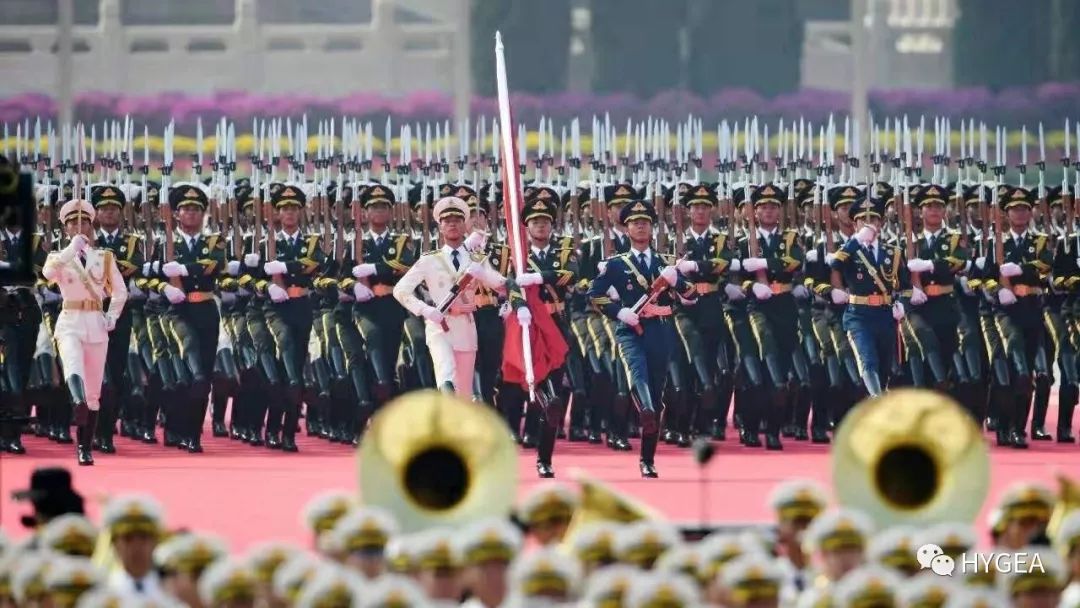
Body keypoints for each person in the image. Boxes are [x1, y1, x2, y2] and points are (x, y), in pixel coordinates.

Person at [587, 199, 698, 477]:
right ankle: (645, 410)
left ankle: (647, 458)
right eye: (635, 223)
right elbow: (594, 294)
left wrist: (677, 281)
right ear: (626, 229)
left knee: (658, 391)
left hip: (660, 330)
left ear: (651, 228)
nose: (640, 227)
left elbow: (692, 296)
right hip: (631, 331)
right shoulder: (615, 264)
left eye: (645, 223)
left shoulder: (665, 262)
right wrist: (619, 312)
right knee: (638, 376)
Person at [393, 196, 509, 399]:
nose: (452, 224)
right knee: (446, 377)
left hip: (466, 327)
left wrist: (483, 273)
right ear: (440, 227)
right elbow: (400, 290)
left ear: (465, 225)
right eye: (447, 221)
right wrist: (425, 310)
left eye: (457, 220)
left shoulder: (476, 258)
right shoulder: (429, 260)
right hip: (440, 326)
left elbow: (500, 285)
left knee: (463, 393)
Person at [42, 198, 128, 465]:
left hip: (95, 323)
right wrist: (71, 250)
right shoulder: (59, 256)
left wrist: (112, 316)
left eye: (84, 223)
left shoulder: (104, 257)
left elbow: (120, 291)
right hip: (69, 321)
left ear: (91, 226)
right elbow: (48, 273)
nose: (79, 227)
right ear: (66, 228)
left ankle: (84, 447)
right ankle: (76, 401)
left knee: (93, 393)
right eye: (72, 223)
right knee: (72, 365)